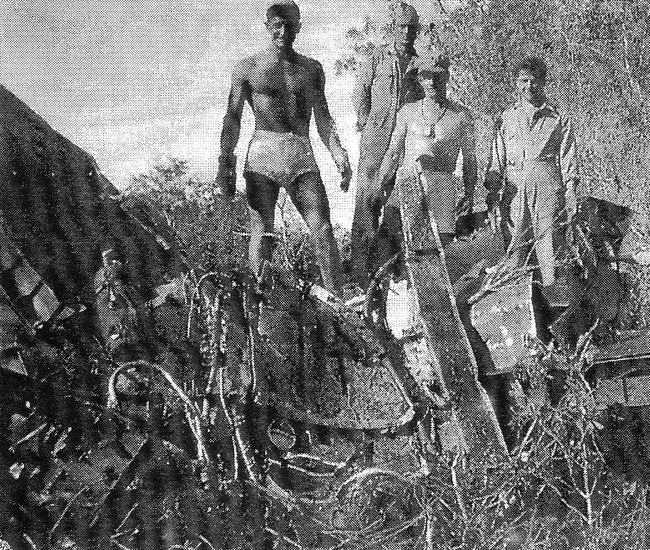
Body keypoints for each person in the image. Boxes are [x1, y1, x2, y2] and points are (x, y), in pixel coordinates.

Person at [215, 0, 352, 292]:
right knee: (262, 231)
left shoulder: (311, 69)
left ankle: (338, 298)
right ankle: (259, 298)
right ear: (267, 27)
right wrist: (225, 162)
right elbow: (233, 118)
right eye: (276, 25)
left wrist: (338, 153)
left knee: (323, 229)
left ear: (298, 27)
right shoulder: (248, 68)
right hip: (263, 152)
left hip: (300, 152)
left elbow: (323, 118)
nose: (283, 31)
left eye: (289, 25)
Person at [485, 56, 578, 304]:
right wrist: (492, 196)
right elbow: (497, 161)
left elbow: (568, 157)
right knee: (515, 252)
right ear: (516, 83)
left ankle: (561, 319)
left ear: (544, 82)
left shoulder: (558, 118)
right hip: (515, 195)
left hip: (548, 192)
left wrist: (570, 192)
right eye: (523, 81)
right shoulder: (505, 119)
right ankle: (517, 320)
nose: (529, 87)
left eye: (534, 81)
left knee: (550, 254)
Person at [350, 2, 424, 288]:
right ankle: (359, 281)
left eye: (411, 28)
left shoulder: (420, 65)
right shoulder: (376, 58)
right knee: (366, 209)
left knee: (398, 212)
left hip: (406, 147)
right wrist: (369, 124)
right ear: (392, 28)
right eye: (401, 27)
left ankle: (394, 280)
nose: (406, 32)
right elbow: (360, 94)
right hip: (375, 143)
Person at [373, 49, 477, 247]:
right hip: (409, 183)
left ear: (446, 77)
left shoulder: (462, 116)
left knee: (439, 248)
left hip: (442, 185)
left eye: (437, 76)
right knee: (390, 238)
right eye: (427, 76)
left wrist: (469, 193)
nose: (432, 82)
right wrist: (378, 186)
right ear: (420, 79)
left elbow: (470, 159)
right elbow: (394, 153)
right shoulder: (407, 111)